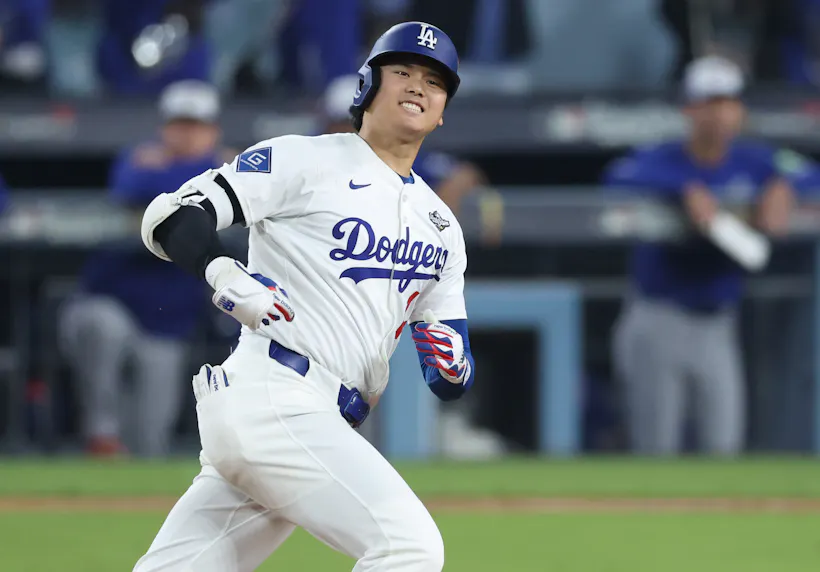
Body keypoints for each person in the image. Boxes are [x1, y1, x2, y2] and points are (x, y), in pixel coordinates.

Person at [134, 21, 474, 571]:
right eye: (403, 71)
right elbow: (170, 215)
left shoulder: (442, 227)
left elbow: (449, 368)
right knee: (409, 545)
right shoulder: (306, 160)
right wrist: (222, 271)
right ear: (367, 86)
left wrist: (454, 365)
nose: (418, 85)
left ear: (442, 111)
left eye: (434, 81)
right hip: (276, 394)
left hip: (314, 418)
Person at [604, 55, 798, 456]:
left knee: (723, 448)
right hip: (659, 317)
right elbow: (618, 175)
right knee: (656, 449)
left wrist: (782, 185)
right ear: (689, 109)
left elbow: (804, 171)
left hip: (718, 324)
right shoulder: (664, 157)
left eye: (728, 102)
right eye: (709, 103)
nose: (719, 114)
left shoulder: (756, 161)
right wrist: (683, 188)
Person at [60, 80, 230, 457]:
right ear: (163, 127)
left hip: (167, 324)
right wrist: (206, 168)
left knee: (151, 439)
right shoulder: (135, 159)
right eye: (179, 124)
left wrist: (183, 171)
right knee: (101, 326)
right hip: (110, 303)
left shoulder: (216, 170)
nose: (186, 134)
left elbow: (195, 199)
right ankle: (101, 433)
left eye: (196, 126)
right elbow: (134, 188)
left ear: (213, 130)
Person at [321, 72, 485, 214]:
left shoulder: (393, 152)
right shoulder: (315, 156)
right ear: (330, 125)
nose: (353, 127)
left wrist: (435, 216)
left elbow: (464, 174)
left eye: (363, 117)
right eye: (345, 121)